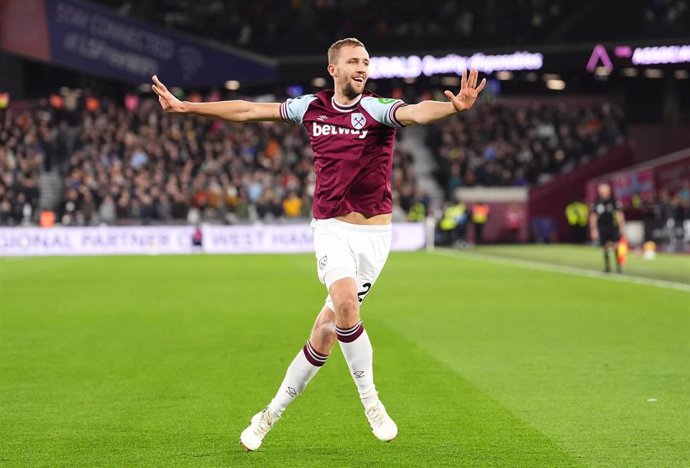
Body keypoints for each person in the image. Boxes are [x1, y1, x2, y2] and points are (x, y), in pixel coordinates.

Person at [152, 37, 486, 451]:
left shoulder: (377, 109)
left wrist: (452, 107)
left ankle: (268, 414)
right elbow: (248, 110)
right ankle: (372, 403)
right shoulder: (310, 107)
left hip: (376, 238)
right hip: (330, 227)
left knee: (326, 334)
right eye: (353, 62)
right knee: (346, 304)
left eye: (366, 62)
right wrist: (186, 107)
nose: (362, 68)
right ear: (333, 69)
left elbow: (416, 113)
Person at [589, 183, 625, 273]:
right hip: (602, 227)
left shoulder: (613, 201)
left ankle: (618, 266)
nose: (604, 192)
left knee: (616, 245)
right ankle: (607, 266)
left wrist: (621, 226)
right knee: (604, 246)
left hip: (612, 226)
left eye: (606, 190)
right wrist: (593, 229)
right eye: (602, 190)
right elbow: (593, 216)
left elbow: (619, 214)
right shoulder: (596, 202)